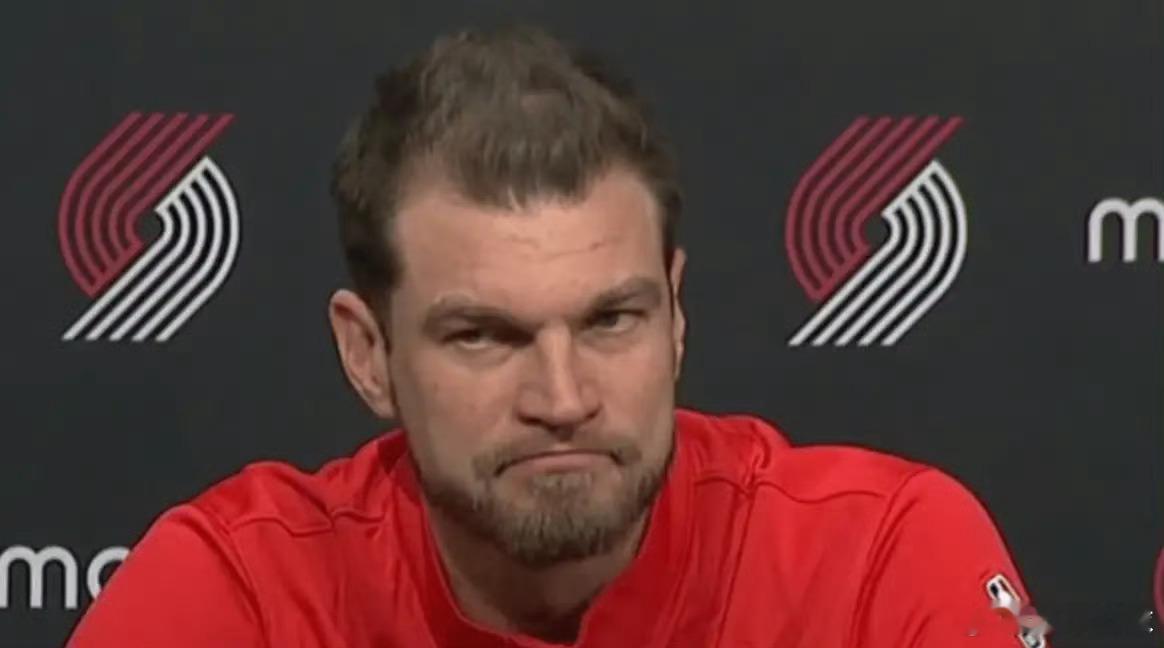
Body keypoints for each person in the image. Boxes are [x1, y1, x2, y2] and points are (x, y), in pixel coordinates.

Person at [66, 24, 1049, 648]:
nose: (564, 397)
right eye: (484, 337)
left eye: (611, 320)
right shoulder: (242, 594)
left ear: (676, 316)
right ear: (369, 354)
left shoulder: (877, 558)